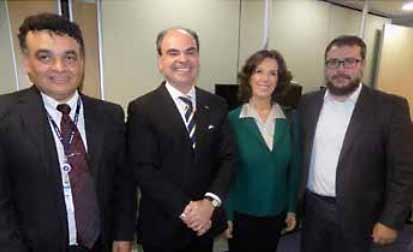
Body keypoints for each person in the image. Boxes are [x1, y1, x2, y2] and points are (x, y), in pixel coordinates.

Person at [0, 13, 137, 252]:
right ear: (27, 63)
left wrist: (122, 235)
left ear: (82, 61)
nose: (60, 68)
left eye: (70, 57)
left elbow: (123, 183)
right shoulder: (5, 116)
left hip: (100, 245)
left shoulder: (110, 115)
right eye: (45, 57)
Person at [298, 35, 413, 252]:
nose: (340, 69)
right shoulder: (308, 103)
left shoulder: (390, 107)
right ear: (325, 66)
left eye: (349, 61)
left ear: (362, 65)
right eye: (333, 62)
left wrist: (391, 220)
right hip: (313, 211)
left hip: (362, 216)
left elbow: (404, 172)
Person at [126, 27, 235, 252]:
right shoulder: (142, 108)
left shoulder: (217, 104)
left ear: (198, 58)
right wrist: (189, 211)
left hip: (204, 226)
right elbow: (143, 169)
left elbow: (228, 158)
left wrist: (209, 204)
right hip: (163, 227)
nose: (183, 59)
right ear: (160, 60)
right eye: (173, 52)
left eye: (190, 51)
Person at [223, 49, 300, 252]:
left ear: (279, 79)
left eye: (273, 73)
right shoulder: (231, 120)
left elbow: (294, 169)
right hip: (242, 215)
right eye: (259, 71)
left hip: (276, 214)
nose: (265, 78)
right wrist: (227, 214)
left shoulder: (291, 120)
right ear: (249, 77)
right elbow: (225, 173)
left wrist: (292, 208)